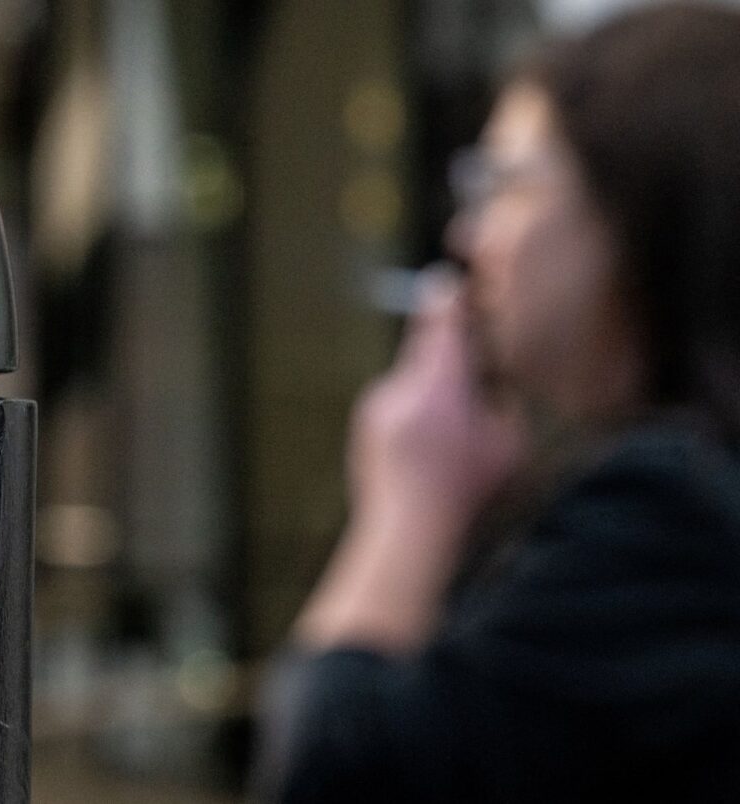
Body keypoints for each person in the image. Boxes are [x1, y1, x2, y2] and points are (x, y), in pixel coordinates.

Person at [253, 6, 740, 802]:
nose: (467, 240)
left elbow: (333, 778)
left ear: (631, 213)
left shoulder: (667, 516)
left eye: (503, 184)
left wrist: (411, 502)